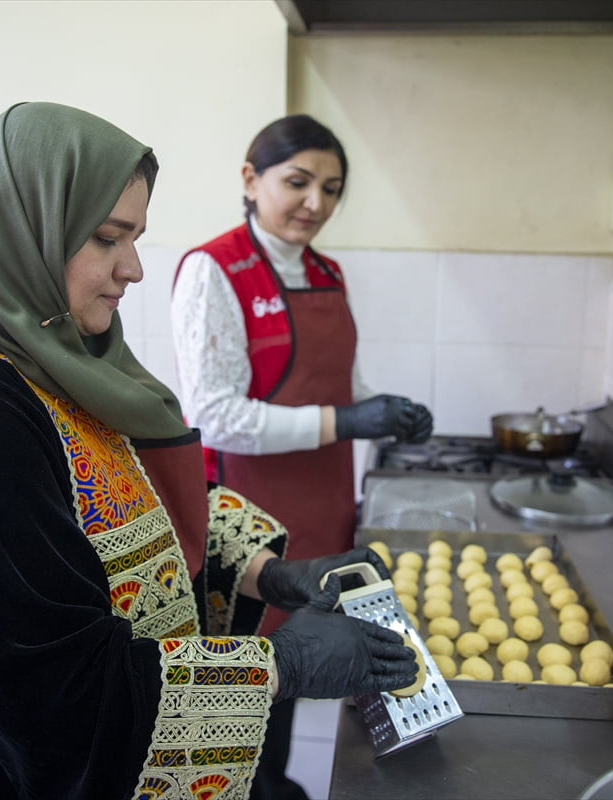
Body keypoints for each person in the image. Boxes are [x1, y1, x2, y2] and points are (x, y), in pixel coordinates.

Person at [0, 102, 417, 799]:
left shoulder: (46, 357)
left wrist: (271, 572)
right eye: (108, 239)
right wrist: (277, 665)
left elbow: (119, 509)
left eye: (134, 237)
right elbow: (55, 695)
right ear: (22, 230)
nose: (133, 269)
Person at [170, 113, 433, 799]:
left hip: (321, 508)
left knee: (305, 670)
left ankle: (277, 784)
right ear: (251, 180)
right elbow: (215, 416)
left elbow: (339, 384)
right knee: (259, 673)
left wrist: (384, 409)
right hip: (249, 526)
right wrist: (347, 419)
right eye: (298, 182)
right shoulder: (213, 270)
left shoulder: (327, 270)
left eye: (333, 188)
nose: (316, 203)